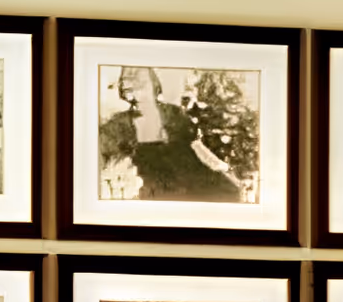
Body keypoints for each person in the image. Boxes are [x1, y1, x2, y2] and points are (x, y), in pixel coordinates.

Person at [96, 67, 242, 202]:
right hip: (152, 180)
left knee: (229, 193)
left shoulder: (175, 114)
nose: (135, 97)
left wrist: (222, 167)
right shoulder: (119, 124)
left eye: (141, 87)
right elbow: (107, 160)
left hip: (190, 172)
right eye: (129, 91)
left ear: (154, 87)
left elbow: (198, 147)